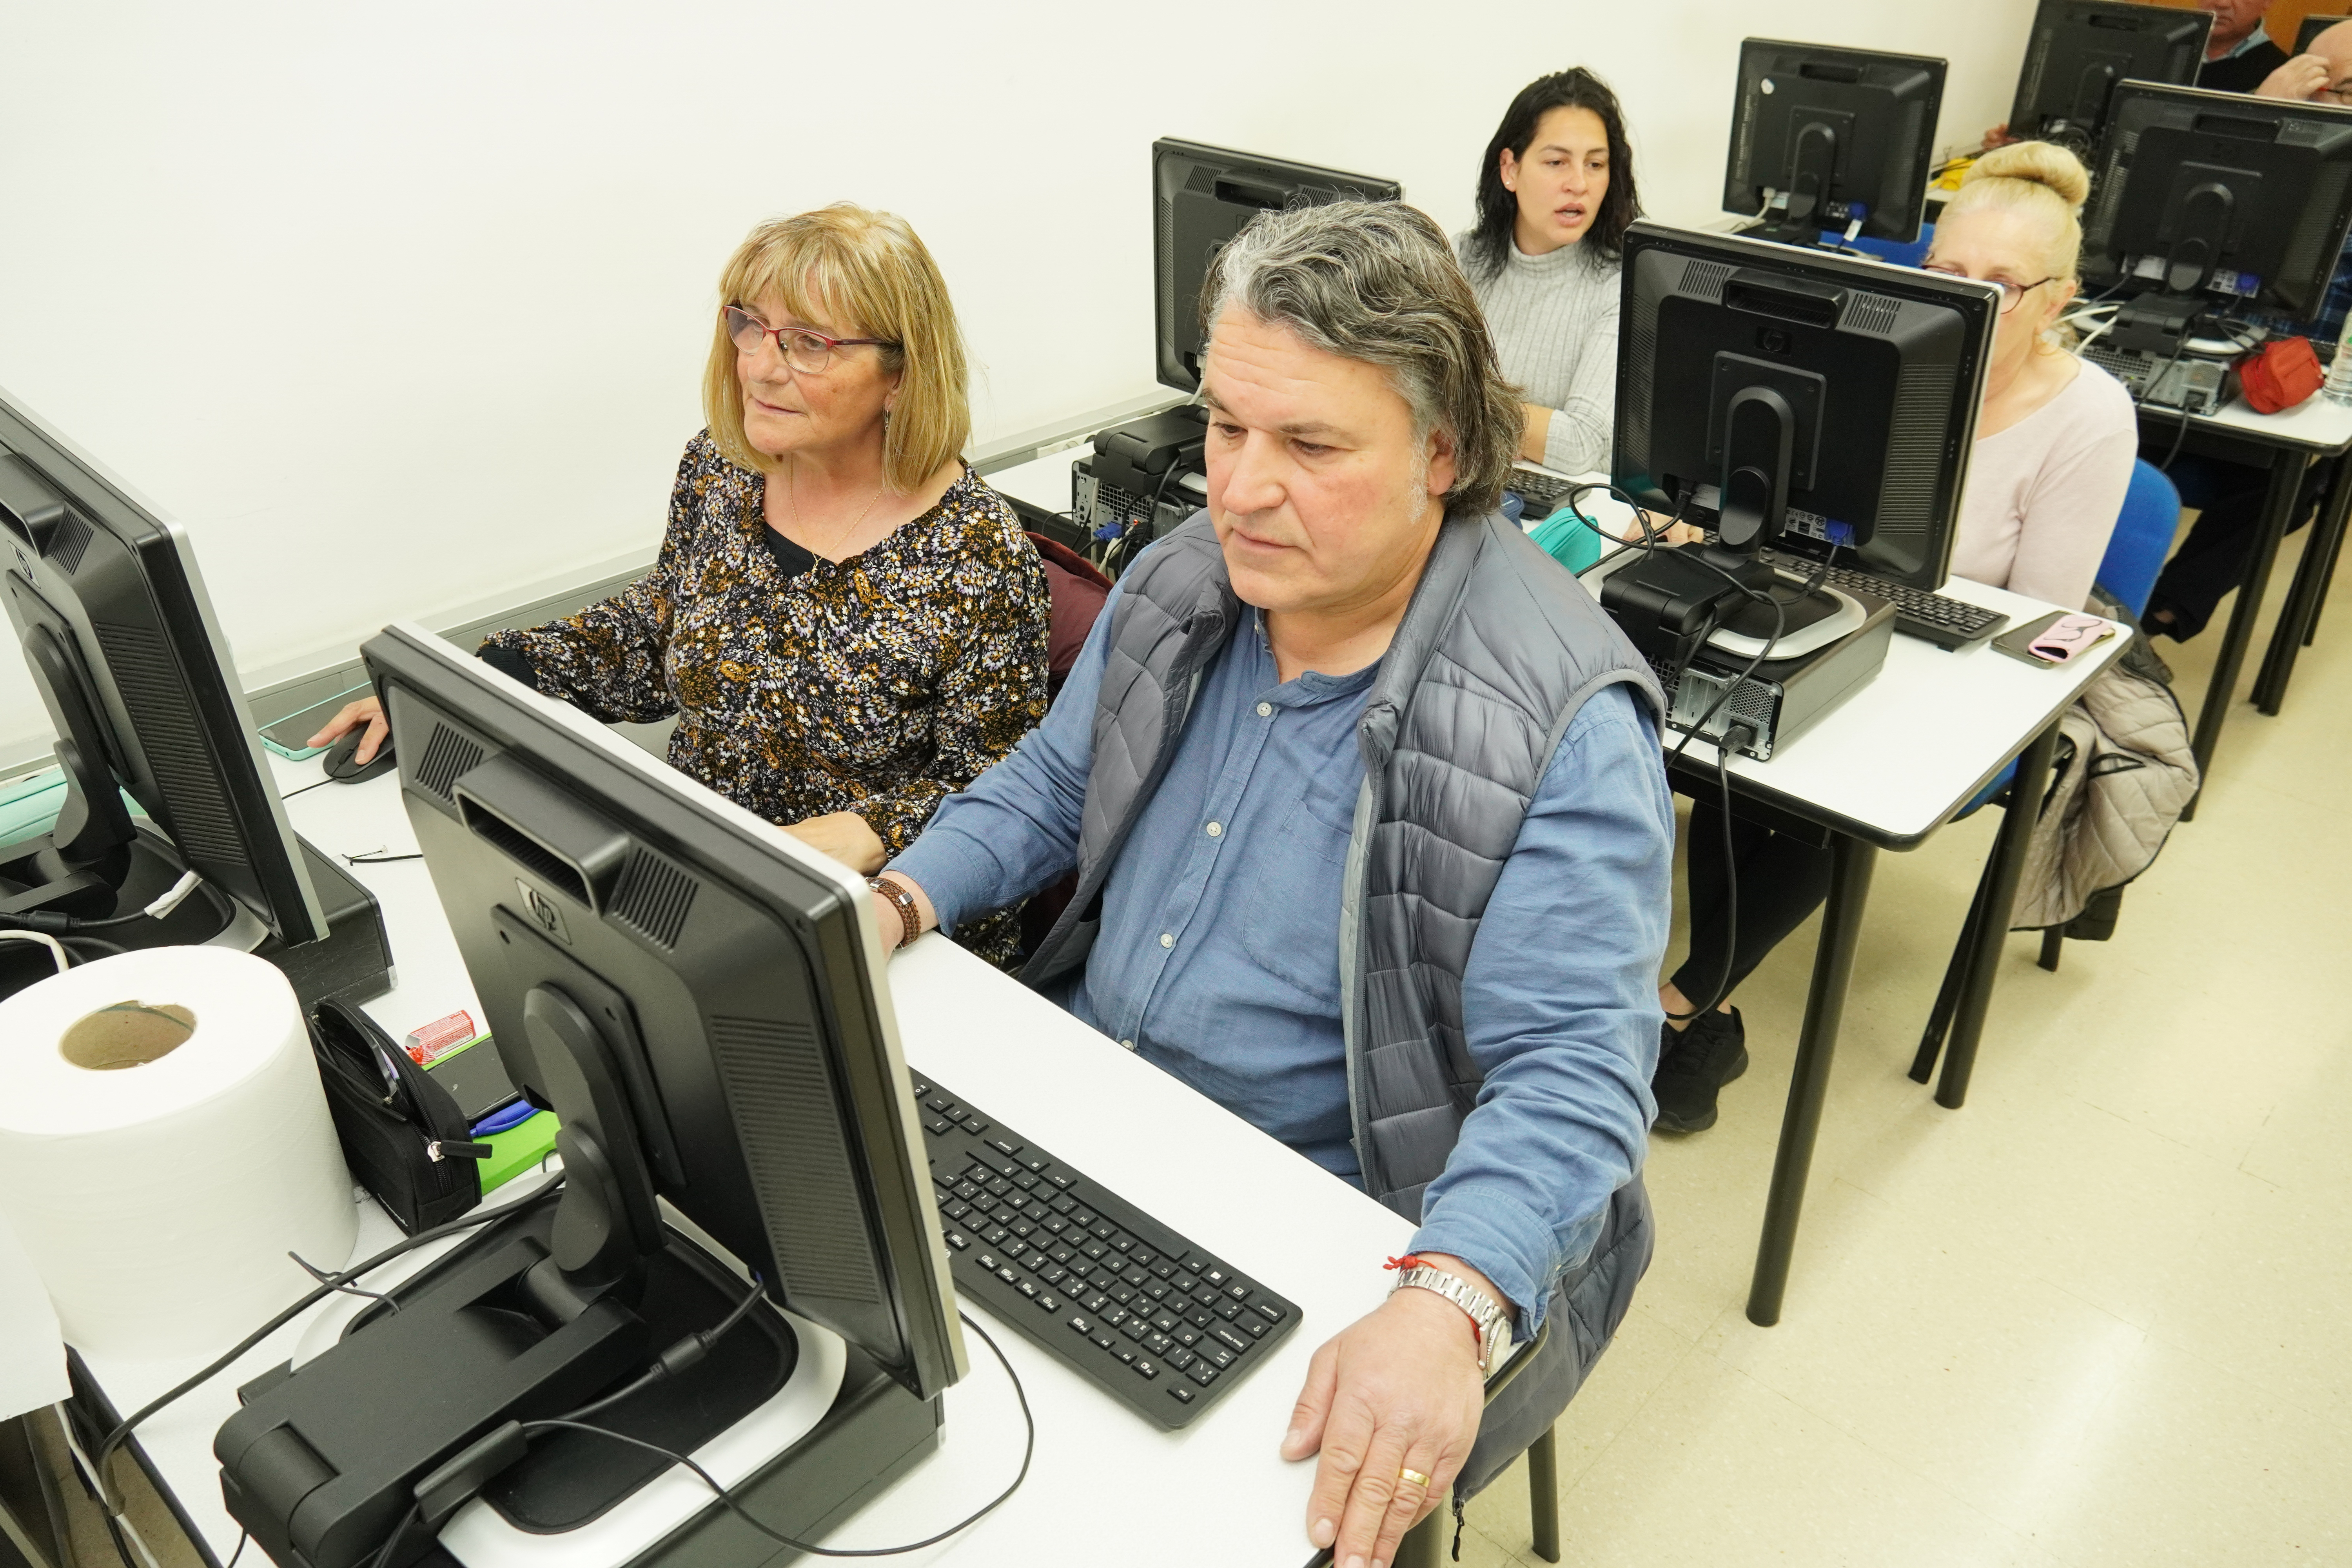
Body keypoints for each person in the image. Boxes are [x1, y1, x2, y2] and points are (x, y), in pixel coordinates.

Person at [869, 201, 1673, 1566]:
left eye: (1308, 445)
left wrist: (1445, 1303)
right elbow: (1055, 785)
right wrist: (890, 906)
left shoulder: (1559, 721)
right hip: (1093, 1118)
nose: (1240, 487)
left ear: (1446, 452)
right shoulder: (1189, 577)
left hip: (1339, 1219)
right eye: (1228, 428)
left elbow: (1574, 1080)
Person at [308, 205, 1051, 965]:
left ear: (900, 375)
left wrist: (858, 837)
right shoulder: (725, 469)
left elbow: (1007, 799)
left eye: (806, 343)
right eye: (750, 325)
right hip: (689, 889)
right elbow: (656, 626)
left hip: (880, 932)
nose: (760, 365)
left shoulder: (977, 555)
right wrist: (468, 686)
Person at [1654, 142, 2138, 1133]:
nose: (1971, 306)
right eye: (1949, 278)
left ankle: (1686, 1004)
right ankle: (1701, 999)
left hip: (1959, 662)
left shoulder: (2090, 414)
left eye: (2004, 287)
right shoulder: (1873, 362)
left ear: (2060, 299)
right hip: (1822, 605)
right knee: (1718, 737)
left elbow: (2040, 613)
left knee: (1807, 780)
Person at [2144, 18, 2352, 643]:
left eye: (2342, 92)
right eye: (2313, 83)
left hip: (2281, 412)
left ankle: (2148, 620)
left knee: (2290, 490)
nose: (2323, 105)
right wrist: (2260, 115)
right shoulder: (2233, 173)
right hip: (2175, 382)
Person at [1456, 68, 1641, 479]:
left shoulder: (1621, 285)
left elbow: (1580, 444)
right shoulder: (1464, 260)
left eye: (1596, 164)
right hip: (1468, 485)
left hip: (1564, 510)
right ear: (1510, 169)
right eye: (1557, 162)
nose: (1579, 184)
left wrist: (1457, 402)